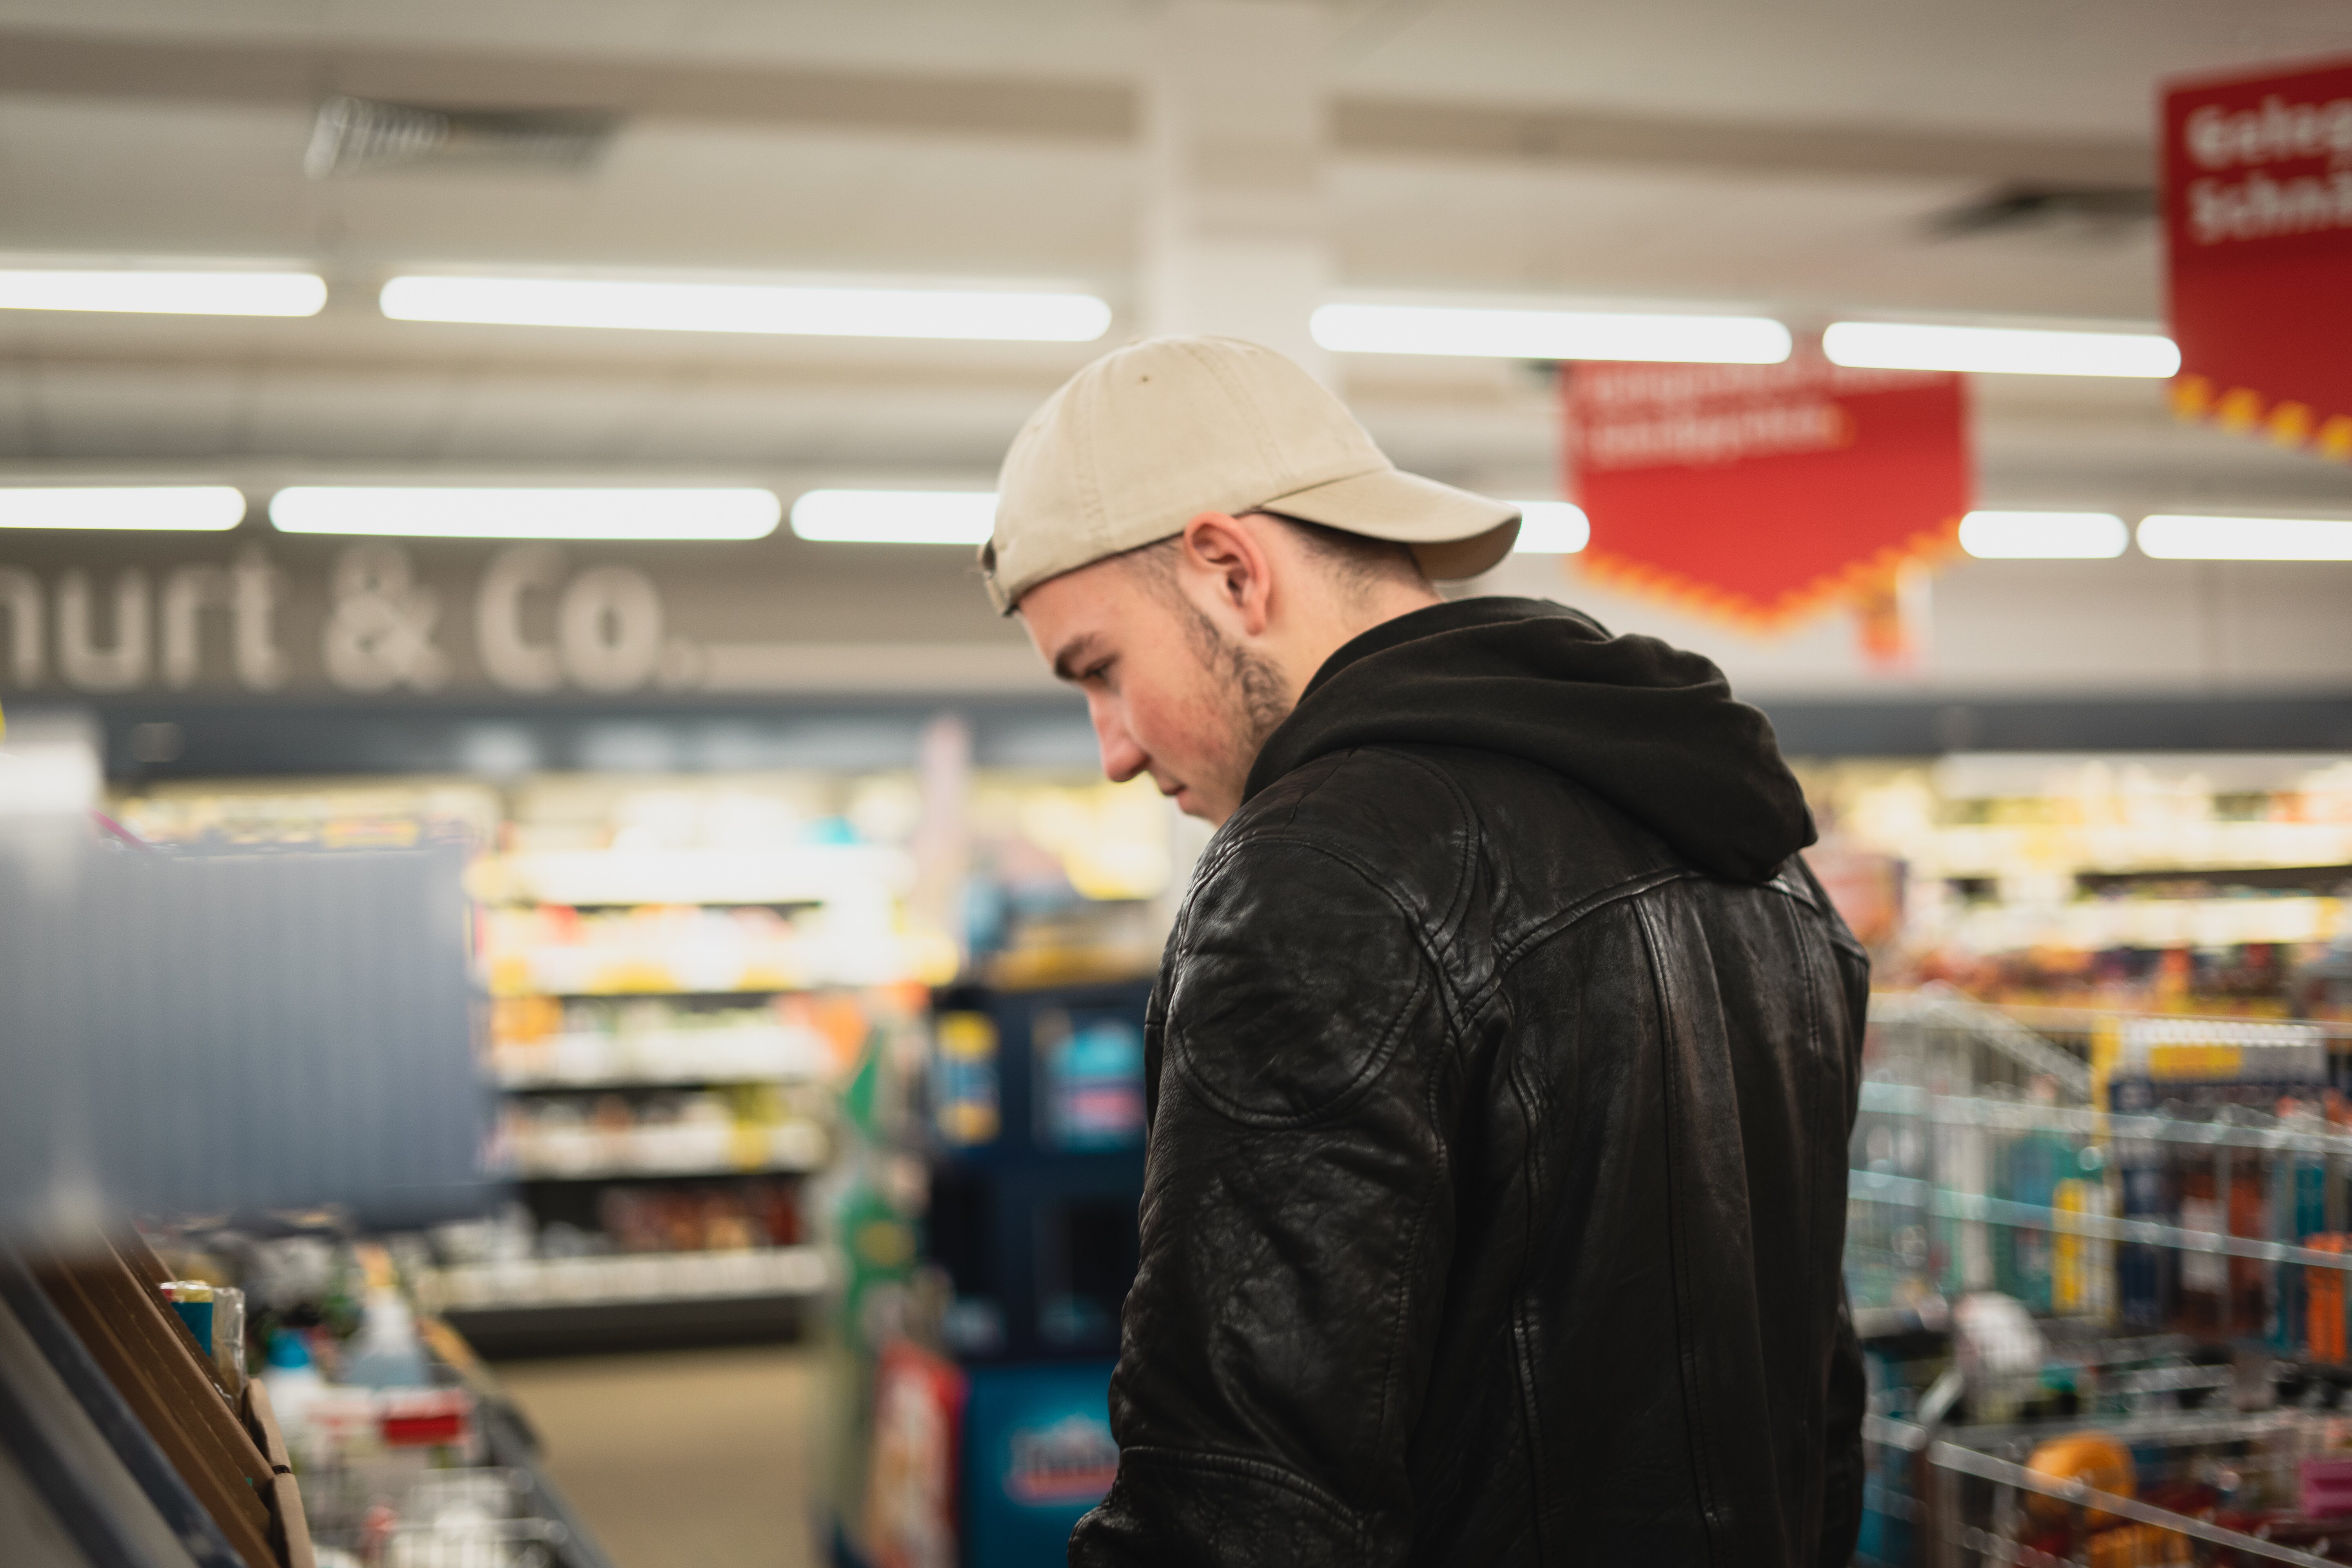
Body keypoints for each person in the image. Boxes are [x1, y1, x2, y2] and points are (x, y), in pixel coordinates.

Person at [980, 336, 1868, 1567]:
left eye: (1103, 671)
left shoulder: (1323, 874)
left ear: (1231, 570)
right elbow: (1818, 1403)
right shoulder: (1764, 860)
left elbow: (1241, 1498)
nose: (1114, 750)